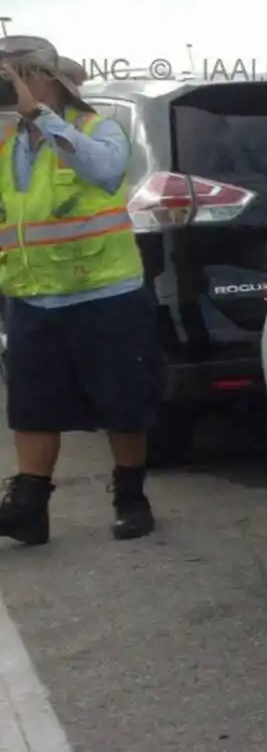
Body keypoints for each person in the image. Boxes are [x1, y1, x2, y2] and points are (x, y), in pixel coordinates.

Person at [0, 34, 160, 545]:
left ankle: (131, 497)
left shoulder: (98, 128)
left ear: (43, 78)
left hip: (104, 294)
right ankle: (29, 508)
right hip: (31, 297)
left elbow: (106, 170)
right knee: (31, 408)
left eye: (13, 79)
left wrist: (41, 117)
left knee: (122, 404)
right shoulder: (8, 144)